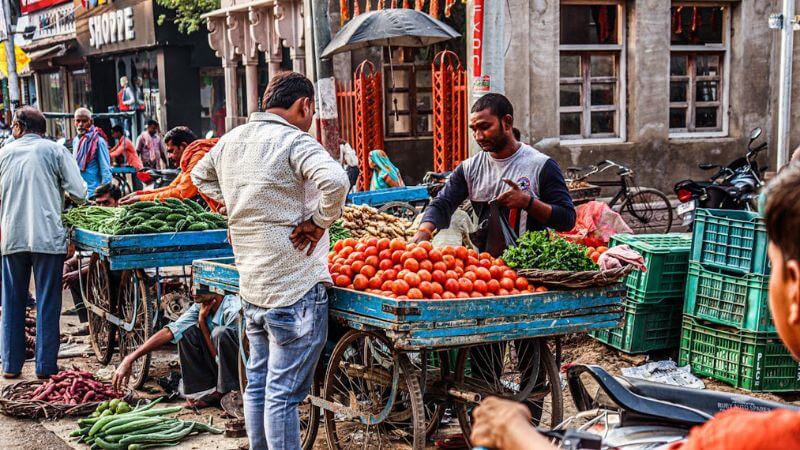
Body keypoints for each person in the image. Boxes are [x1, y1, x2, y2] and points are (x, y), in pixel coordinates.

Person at [469, 163, 800, 450]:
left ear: (793, 289)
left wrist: (513, 432)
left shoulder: (759, 437)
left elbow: (564, 216)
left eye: (771, 267)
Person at [191, 71, 349, 450]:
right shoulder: (294, 141)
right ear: (304, 105)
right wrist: (317, 222)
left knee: (260, 386)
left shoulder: (232, 140)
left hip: (254, 290)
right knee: (282, 396)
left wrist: (234, 207)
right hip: (295, 287)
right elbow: (337, 182)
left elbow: (199, 175)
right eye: (311, 110)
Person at [414, 93, 575, 253]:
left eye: (485, 127)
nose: (478, 136)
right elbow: (443, 203)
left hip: (532, 267)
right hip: (488, 270)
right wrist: (425, 231)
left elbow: (567, 219)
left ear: (507, 122)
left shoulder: (541, 165)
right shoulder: (470, 168)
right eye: (474, 129)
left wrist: (527, 202)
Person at [0, 106, 87, 378]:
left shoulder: (3, 153)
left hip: (12, 234)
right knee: (48, 302)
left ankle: (10, 366)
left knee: (12, 301)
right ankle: (45, 367)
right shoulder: (55, 151)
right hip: (47, 236)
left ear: (18, 127)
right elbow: (80, 192)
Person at [112, 293, 241, 406]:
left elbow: (221, 359)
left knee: (220, 333)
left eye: (199, 286)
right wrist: (130, 358)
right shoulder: (200, 306)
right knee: (186, 332)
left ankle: (230, 394)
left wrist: (202, 322)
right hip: (218, 363)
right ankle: (205, 391)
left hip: (240, 371)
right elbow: (170, 331)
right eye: (193, 284)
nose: (192, 291)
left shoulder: (233, 310)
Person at [120, 127, 222, 211]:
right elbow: (174, 187)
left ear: (183, 146)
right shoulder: (191, 158)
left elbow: (183, 193)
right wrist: (139, 194)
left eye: (171, 151)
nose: (168, 156)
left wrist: (141, 199)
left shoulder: (199, 156)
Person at [73, 108, 112, 197]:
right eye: (78, 121)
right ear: (74, 122)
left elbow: (106, 169)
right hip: (80, 193)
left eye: (84, 121)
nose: (80, 124)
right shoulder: (76, 141)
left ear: (91, 122)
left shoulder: (98, 141)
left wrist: (105, 193)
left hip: (94, 194)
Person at [109, 125, 144, 191]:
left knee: (138, 186)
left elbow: (116, 153)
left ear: (118, 132)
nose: (112, 135)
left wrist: (106, 156)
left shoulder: (125, 142)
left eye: (113, 133)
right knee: (135, 185)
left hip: (136, 165)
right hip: (132, 165)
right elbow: (113, 150)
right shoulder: (121, 141)